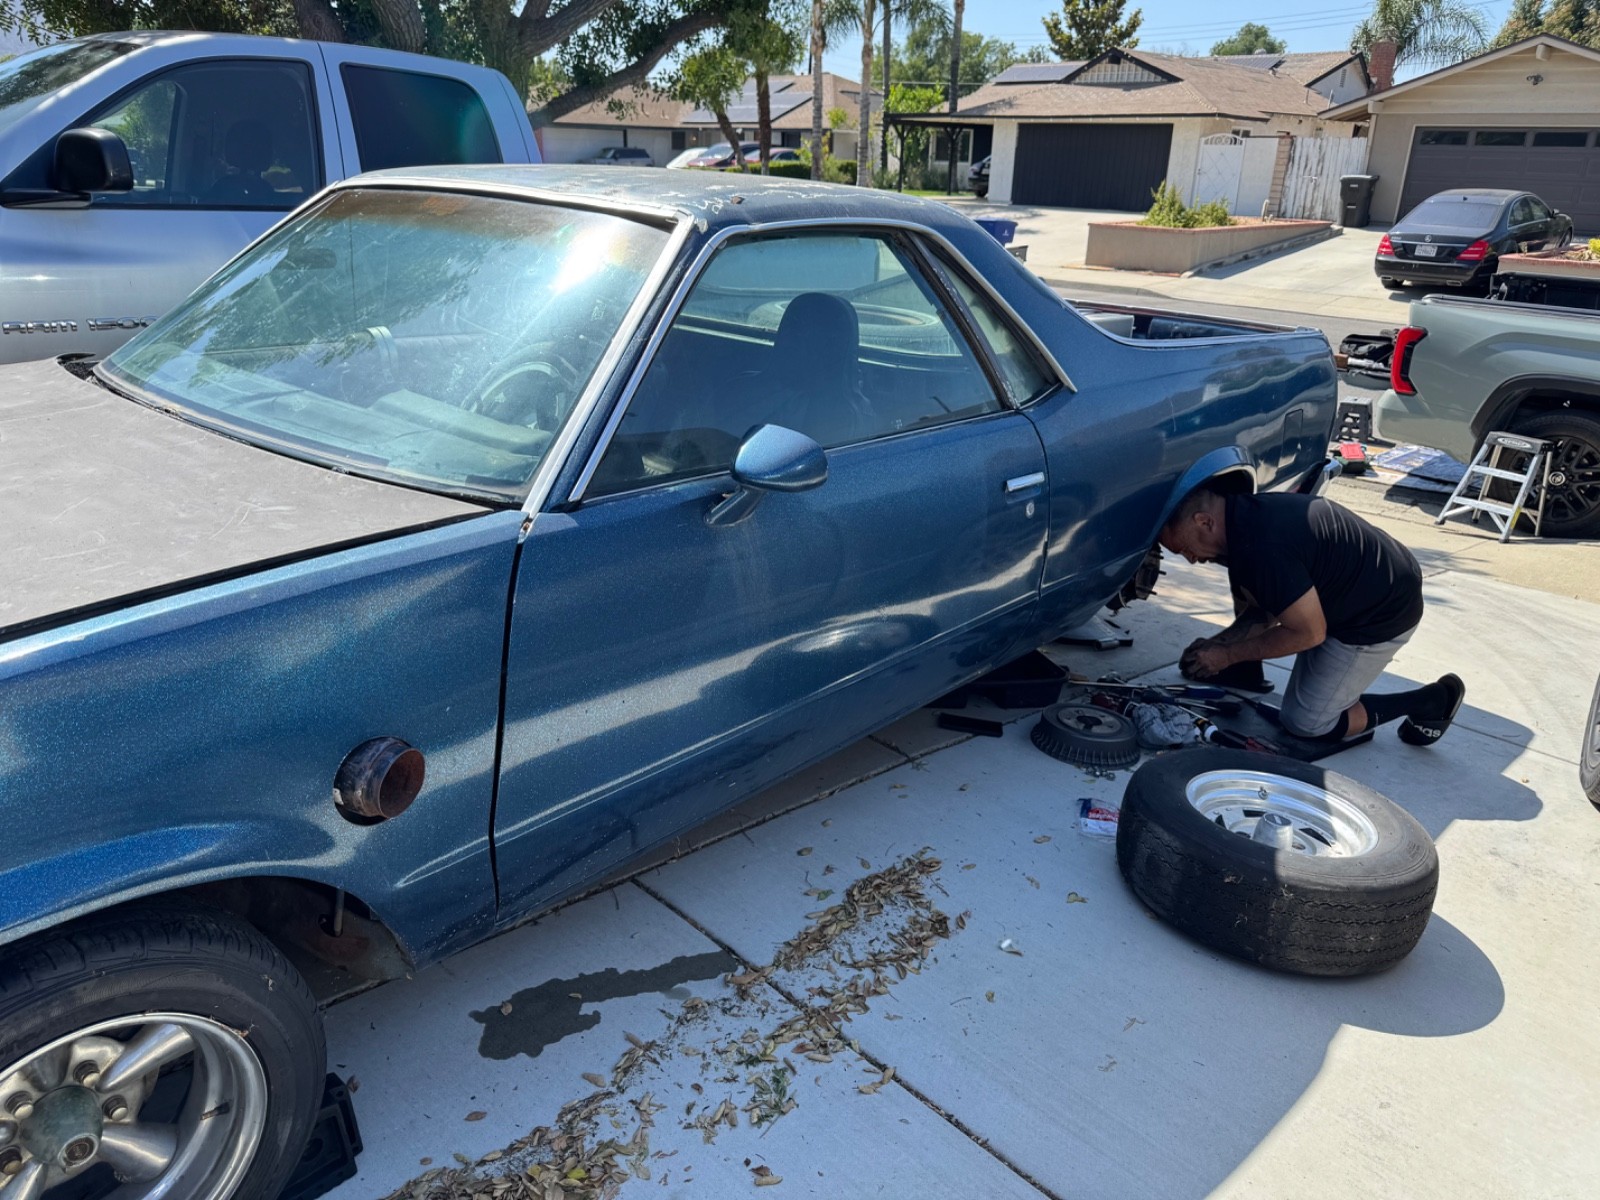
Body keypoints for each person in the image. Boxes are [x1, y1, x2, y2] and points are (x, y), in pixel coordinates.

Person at [1158, 484, 1465, 745]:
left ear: (1204, 522)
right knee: (1257, 593)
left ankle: (1431, 700)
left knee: (1308, 723)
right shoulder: (1243, 518)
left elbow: (1309, 633)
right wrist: (1220, 645)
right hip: (1358, 587)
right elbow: (1267, 604)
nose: (1191, 559)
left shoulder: (1262, 549)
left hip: (1380, 614)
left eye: (1184, 549)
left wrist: (1227, 656)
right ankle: (1246, 669)